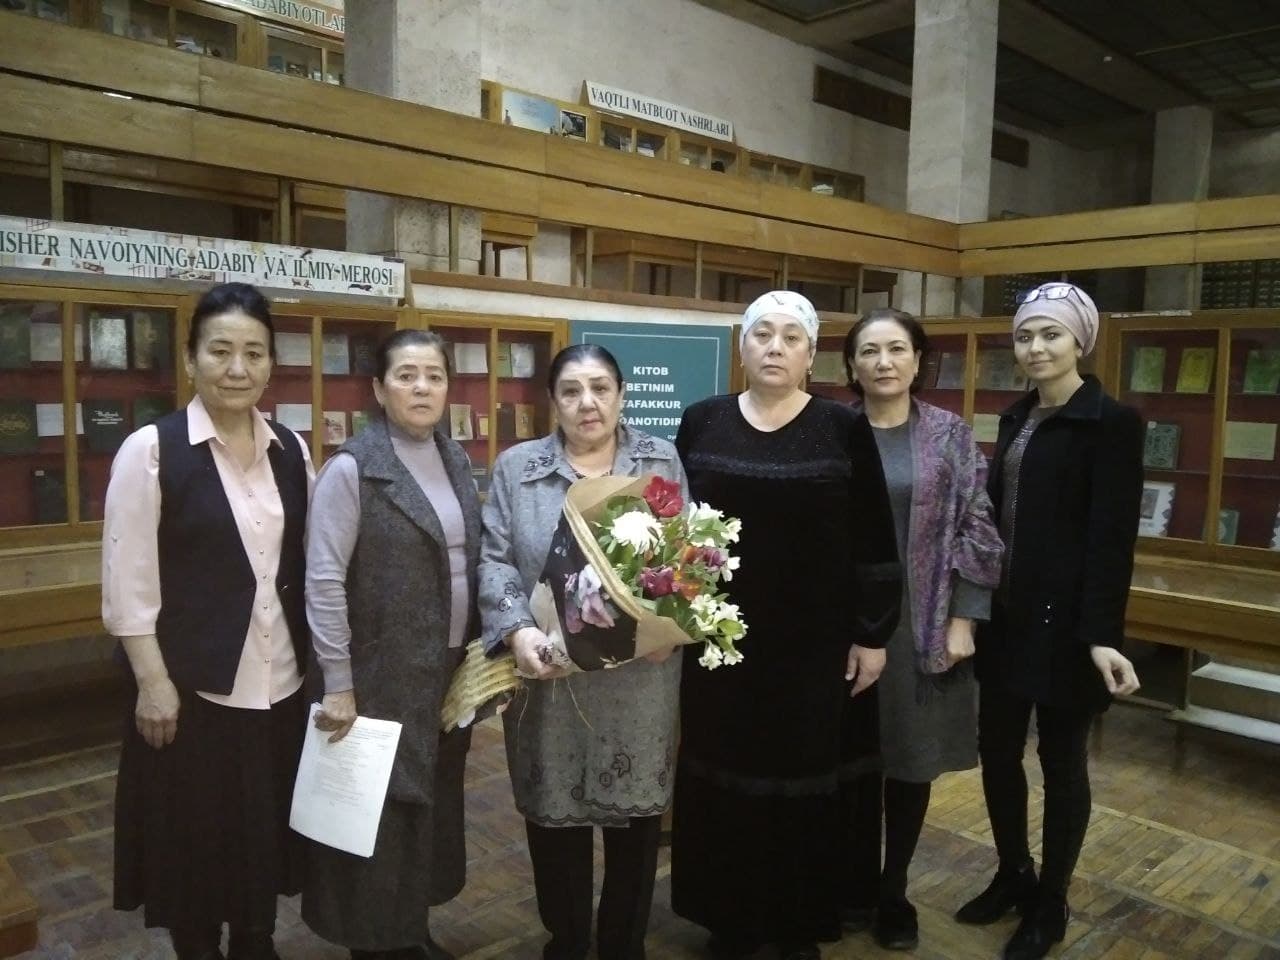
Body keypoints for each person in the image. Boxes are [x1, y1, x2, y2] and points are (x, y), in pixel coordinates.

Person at [670, 290, 901, 960]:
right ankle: (730, 919)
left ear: (812, 354)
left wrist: (872, 634)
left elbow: (873, 535)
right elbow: (674, 529)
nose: (775, 347)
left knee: (804, 784)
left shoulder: (841, 427)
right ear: (741, 347)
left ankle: (797, 923)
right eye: (762, 334)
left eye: (791, 337)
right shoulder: (702, 421)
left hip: (813, 650)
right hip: (719, 644)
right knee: (722, 777)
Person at [104, 282, 313, 960]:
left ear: (271, 363)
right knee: (194, 841)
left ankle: (256, 940)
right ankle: (199, 947)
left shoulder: (292, 450)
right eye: (220, 351)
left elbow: (302, 563)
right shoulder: (152, 450)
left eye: (254, 353)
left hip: (280, 682)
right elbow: (128, 579)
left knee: (260, 831)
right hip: (192, 691)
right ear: (191, 358)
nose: (237, 368)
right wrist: (152, 682)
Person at [478, 343, 687, 960]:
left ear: (621, 395)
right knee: (553, 818)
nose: (587, 403)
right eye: (571, 391)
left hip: (640, 680)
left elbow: (684, 557)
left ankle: (623, 943)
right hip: (548, 678)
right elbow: (494, 561)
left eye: (600, 388)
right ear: (553, 401)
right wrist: (517, 631)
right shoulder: (519, 469)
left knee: (636, 828)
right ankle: (565, 939)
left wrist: (666, 628)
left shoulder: (659, 458)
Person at [956, 282, 1142, 960]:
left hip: (1066, 628)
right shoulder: (1017, 417)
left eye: (1050, 335)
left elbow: (1111, 538)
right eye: (1025, 336)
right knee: (998, 751)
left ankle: (1052, 898)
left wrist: (1100, 636)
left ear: (1079, 341)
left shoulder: (1111, 422)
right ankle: (1014, 872)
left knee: (1061, 763)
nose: (1035, 348)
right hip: (1006, 619)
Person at [301, 329, 481, 960]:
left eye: (434, 375)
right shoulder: (352, 468)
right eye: (406, 376)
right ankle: (375, 943)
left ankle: (409, 931)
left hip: (446, 670)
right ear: (379, 389)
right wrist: (338, 683)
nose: (421, 387)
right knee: (378, 814)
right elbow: (323, 580)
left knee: (427, 806)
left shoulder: (454, 458)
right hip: (379, 673)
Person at [841, 308, 1004, 951]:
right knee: (849, 764)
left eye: (897, 349)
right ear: (851, 365)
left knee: (909, 764)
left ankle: (893, 892)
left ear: (917, 360)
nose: (883, 362)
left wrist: (966, 617)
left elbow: (978, 525)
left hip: (923, 620)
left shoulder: (948, 435)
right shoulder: (833, 430)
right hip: (846, 623)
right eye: (869, 350)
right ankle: (849, 885)